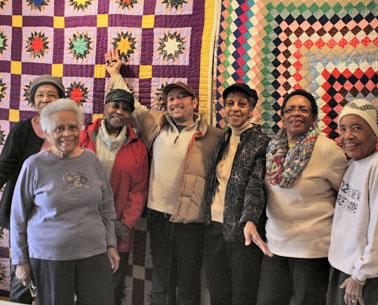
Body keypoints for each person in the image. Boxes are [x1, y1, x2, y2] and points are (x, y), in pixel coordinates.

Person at [104, 48, 224, 305]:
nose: (175, 102)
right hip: (158, 216)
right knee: (161, 279)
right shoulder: (155, 123)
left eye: (182, 97)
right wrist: (115, 74)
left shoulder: (214, 135)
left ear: (194, 103)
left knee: (189, 282)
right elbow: (131, 106)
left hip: (190, 220)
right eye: (170, 98)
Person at [10, 99, 120, 305]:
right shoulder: (34, 165)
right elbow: (18, 216)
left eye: (72, 127)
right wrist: (21, 261)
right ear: (47, 132)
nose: (67, 134)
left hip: (94, 253)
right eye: (59, 128)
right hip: (50, 257)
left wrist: (111, 244)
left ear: (80, 129)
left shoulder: (92, 160)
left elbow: (107, 207)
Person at [255, 89, 348, 305]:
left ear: (314, 118)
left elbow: (345, 196)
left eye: (303, 109)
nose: (296, 113)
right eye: (290, 109)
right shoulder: (272, 148)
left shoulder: (328, 150)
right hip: (275, 246)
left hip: (312, 250)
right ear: (283, 117)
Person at [327, 99, 378, 305]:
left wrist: (360, 275)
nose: (347, 136)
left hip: (360, 275)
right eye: (343, 129)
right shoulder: (355, 163)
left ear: (373, 133)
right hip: (343, 267)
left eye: (357, 128)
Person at [80, 86, 149, 305]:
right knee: (81, 284)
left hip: (118, 229)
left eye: (126, 108)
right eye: (115, 105)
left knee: (112, 286)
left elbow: (139, 191)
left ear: (130, 115)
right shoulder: (83, 136)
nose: (119, 111)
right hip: (82, 226)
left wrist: (124, 225)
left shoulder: (137, 147)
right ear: (105, 107)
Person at [0, 75, 65, 304]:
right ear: (33, 100)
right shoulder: (22, 130)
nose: (45, 99)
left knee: (52, 280)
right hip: (24, 216)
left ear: (60, 100)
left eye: (51, 94)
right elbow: (4, 167)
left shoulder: (67, 130)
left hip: (54, 218)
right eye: (40, 94)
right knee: (23, 276)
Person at [204, 83, 269, 305]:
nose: (235, 109)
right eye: (230, 104)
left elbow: (256, 185)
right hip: (213, 226)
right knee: (217, 291)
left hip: (244, 232)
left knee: (243, 294)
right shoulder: (221, 138)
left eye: (242, 104)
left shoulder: (261, 141)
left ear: (251, 109)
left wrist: (249, 220)